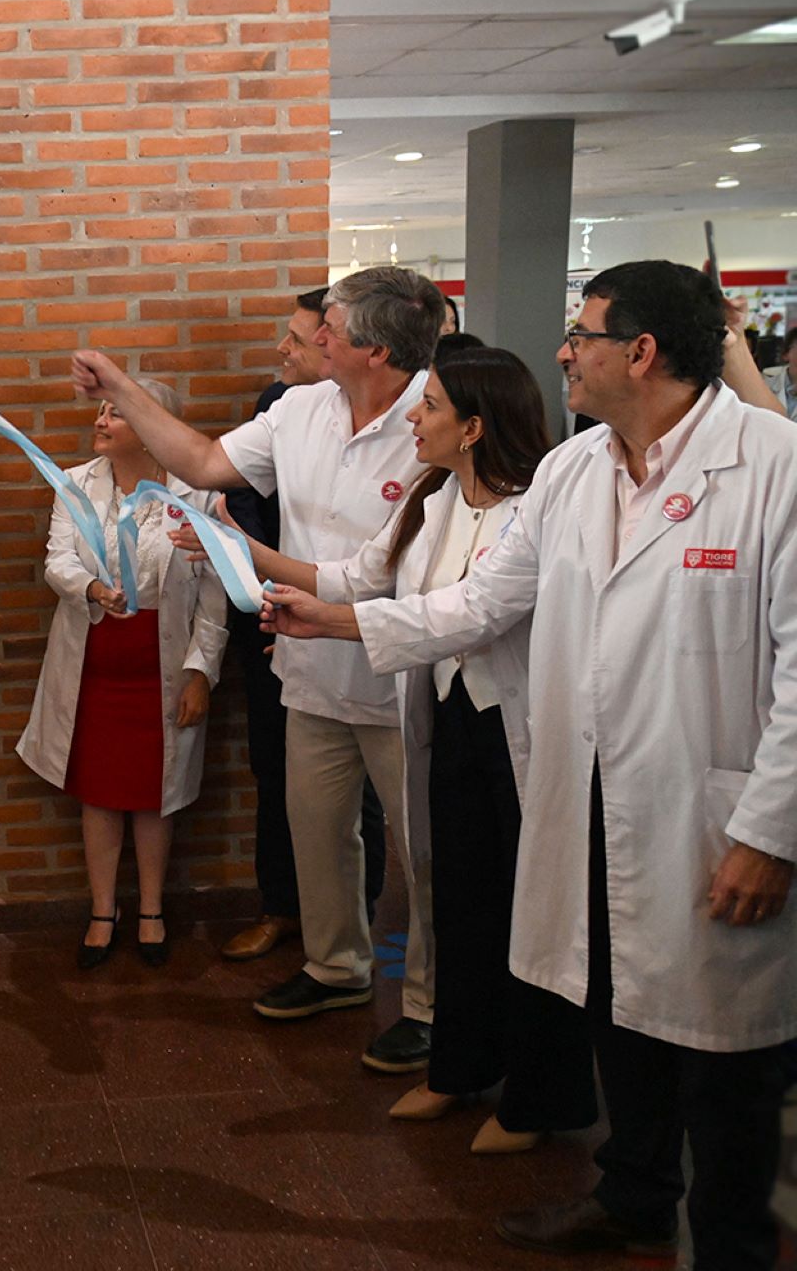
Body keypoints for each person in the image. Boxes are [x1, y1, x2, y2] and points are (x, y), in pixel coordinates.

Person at [264, 260, 795, 1268]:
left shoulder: (774, 467)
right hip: (589, 794)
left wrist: (770, 832)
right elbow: (482, 603)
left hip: (714, 813)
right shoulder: (571, 471)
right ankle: (633, 1194)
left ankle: (731, 1244)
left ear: (639, 352)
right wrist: (334, 617)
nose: (563, 352)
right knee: (613, 1005)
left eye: (581, 334)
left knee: (727, 1056)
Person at [186, 349, 597, 1154]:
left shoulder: (534, 513)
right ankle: (457, 1070)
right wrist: (245, 556)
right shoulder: (431, 498)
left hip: (519, 738)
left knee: (534, 923)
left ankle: (537, 1100)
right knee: (461, 904)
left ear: (474, 428)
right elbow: (357, 576)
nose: (413, 416)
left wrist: (329, 623)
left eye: (432, 406)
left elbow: (471, 613)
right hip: (449, 726)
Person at [73, 265, 444, 1076]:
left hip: (401, 674)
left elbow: (381, 576)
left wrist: (236, 551)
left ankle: (428, 1003)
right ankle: (336, 967)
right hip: (308, 665)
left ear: (374, 349)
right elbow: (205, 463)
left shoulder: (436, 419)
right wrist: (125, 390)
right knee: (319, 833)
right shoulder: (300, 408)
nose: (314, 337)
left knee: (423, 855)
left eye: (331, 327)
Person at [17, 380, 227, 968]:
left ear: (153, 422)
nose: (101, 421)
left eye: (117, 412)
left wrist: (200, 673)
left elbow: (214, 592)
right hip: (94, 660)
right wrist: (89, 587)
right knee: (101, 793)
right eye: (100, 410)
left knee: (154, 793)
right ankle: (102, 910)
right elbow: (57, 557)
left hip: (164, 662)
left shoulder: (197, 492)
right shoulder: (75, 483)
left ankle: (152, 909)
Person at [220, 286, 389, 963]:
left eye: (300, 336)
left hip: (366, 631)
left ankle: (364, 917)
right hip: (272, 621)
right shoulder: (278, 408)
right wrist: (261, 590)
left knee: (368, 797)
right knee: (283, 776)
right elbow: (236, 496)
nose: (284, 349)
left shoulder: (409, 421)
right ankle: (286, 911)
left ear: (340, 346)